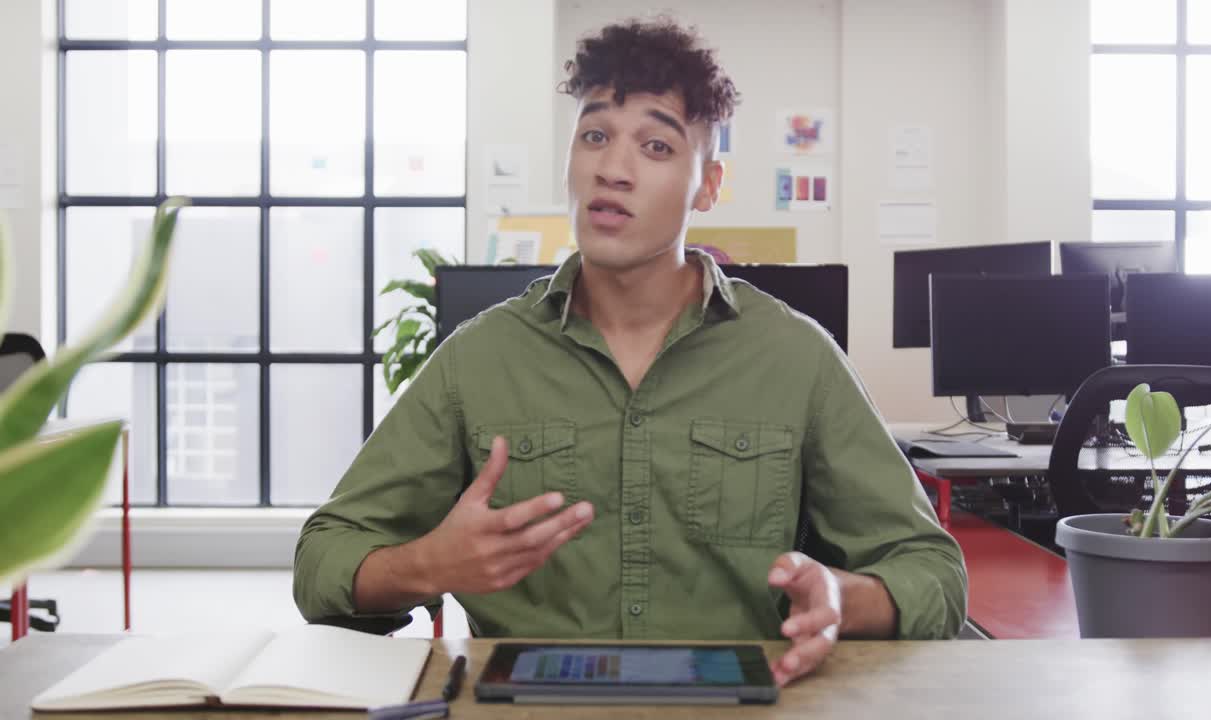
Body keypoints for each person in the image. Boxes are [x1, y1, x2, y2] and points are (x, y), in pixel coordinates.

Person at [294, 17, 966, 686]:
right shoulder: (479, 359)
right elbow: (322, 562)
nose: (612, 170)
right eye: (594, 136)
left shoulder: (796, 357)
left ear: (708, 185)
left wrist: (842, 597)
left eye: (656, 146)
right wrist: (425, 566)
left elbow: (932, 572)